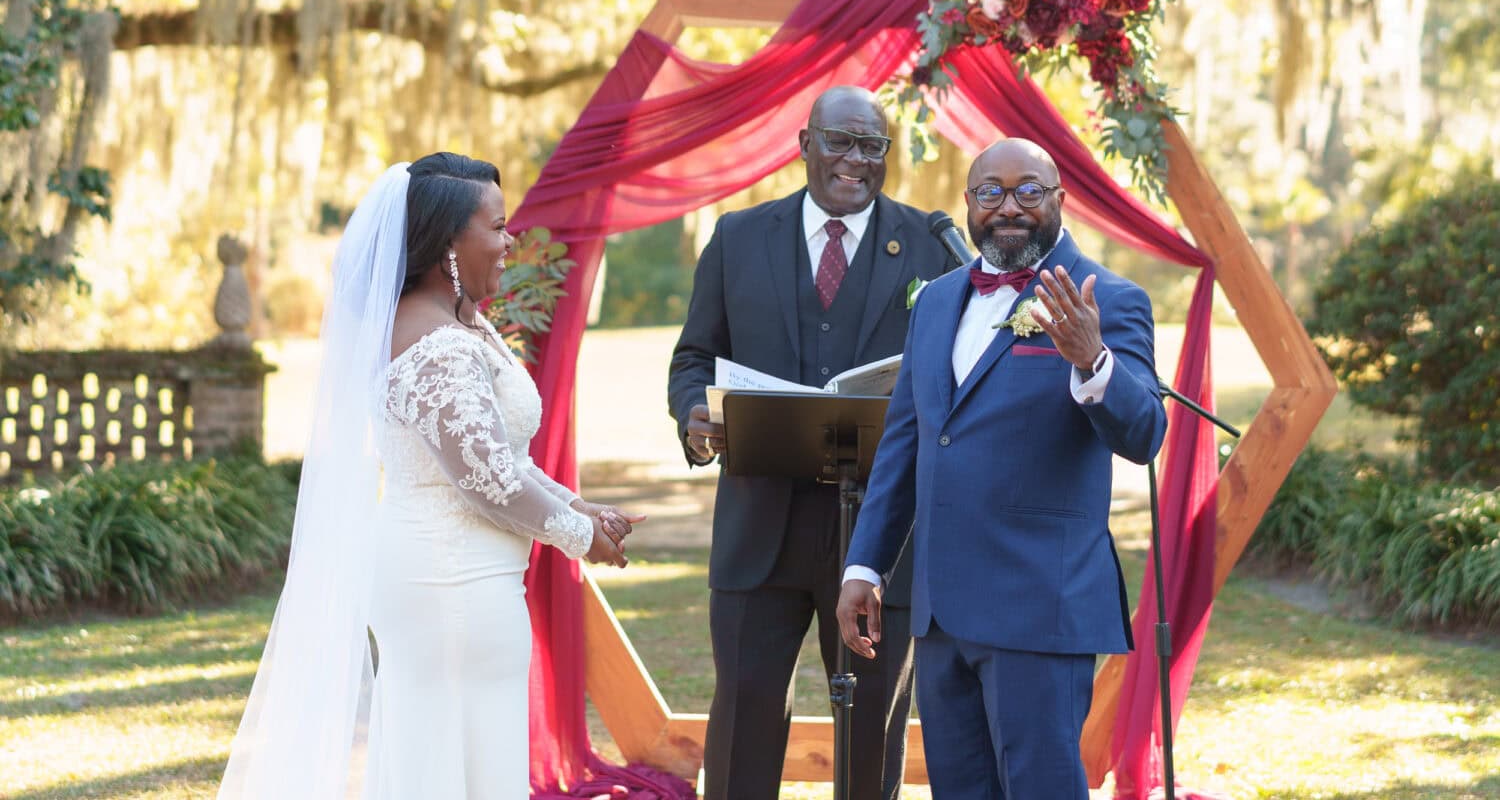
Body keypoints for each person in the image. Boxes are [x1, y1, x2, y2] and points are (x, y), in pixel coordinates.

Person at [218, 152, 643, 800]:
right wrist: (581, 537)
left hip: (467, 579)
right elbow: (487, 479)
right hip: (447, 586)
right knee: (445, 766)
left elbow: (504, 458)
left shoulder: (461, 326)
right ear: (448, 243)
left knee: (466, 758)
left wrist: (582, 508)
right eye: (497, 228)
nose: (509, 243)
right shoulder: (437, 347)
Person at [835, 137, 1168, 800]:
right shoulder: (935, 303)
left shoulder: (1111, 300)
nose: (1008, 206)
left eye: (1027, 191)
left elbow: (1143, 434)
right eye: (991, 191)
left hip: (1040, 609)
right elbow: (907, 443)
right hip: (941, 614)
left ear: (1059, 201)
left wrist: (1092, 360)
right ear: (969, 203)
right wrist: (864, 567)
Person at [667, 86, 956, 800]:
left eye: (873, 146)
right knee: (742, 716)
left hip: (883, 536)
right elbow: (693, 358)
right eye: (841, 141)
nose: (856, 159)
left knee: (870, 733)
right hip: (757, 524)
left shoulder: (931, 244)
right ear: (804, 145)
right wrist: (694, 418)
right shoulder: (737, 238)